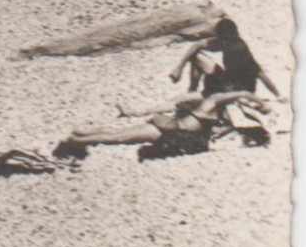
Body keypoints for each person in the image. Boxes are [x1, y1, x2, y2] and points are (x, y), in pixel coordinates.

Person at [55, 90, 270, 158]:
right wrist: (262, 105)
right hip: (169, 129)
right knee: (118, 137)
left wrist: (257, 111)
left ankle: (81, 134)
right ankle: (76, 140)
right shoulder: (212, 102)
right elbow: (243, 93)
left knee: (118, 135)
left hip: (170, 129)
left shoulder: (217, 110)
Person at [168, 18, 283, 98]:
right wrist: (179, 67)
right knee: (197, 54)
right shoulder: (230, 42)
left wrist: (278, 95)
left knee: (197, 57)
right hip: (234, 86)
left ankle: (192, 91)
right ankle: (192, 91)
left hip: (234, 90)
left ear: (222, 35)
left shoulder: (237, 48)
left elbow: (260, 75)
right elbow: (197, 45)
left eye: (218, 36)